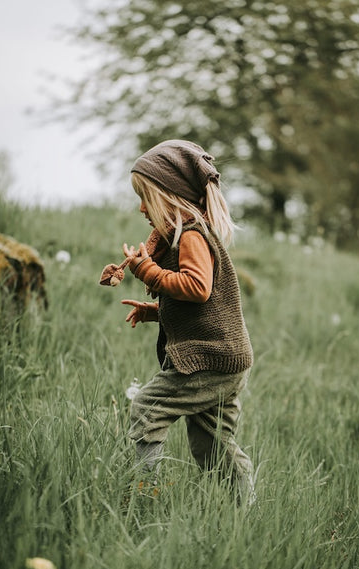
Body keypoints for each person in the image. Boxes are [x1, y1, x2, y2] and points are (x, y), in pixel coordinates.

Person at [102, 139, 255, 503]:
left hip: (209, 359)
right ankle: (243, 506)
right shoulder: (186, 235)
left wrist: (147, 271)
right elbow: (205, 307)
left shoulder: (190, 236)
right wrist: (156, 312)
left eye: (146, 197)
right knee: (211, 442)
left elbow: (197, 289)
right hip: (225, 356)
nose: (141, 208)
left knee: (147, 407)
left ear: (169, 197)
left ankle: (143, 492)